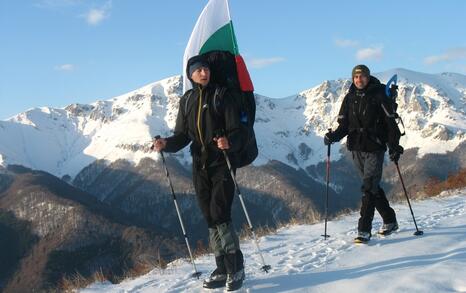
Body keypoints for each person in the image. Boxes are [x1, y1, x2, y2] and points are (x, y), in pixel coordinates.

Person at [152, 54, 245, 291]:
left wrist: (228, 141)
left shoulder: (221, 95)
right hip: (200, 164)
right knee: (209, 215)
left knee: (219, 212)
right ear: (191, 75)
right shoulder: (187, 100)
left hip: (222, 161)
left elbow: (238, 129)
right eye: (198, 70)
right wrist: (166, 144)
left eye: (206, 69)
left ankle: (236, 267)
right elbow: (183, 136)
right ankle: (221, 267)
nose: (204, 73)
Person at [324, 64, 404, 243]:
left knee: (368, 188)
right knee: (372, 187)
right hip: (356, 148)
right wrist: (333, 137)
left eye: (362, 77)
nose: (359, 80)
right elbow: (344, 126)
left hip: (375, 147)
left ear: (368, 77)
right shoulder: (349, 97)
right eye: (356, 77)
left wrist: (394, 146)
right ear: (353, 79)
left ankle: (364, 230)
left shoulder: (379, 95)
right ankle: (390, 221)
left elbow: (391, 124)